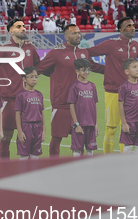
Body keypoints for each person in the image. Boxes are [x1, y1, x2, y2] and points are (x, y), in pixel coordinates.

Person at [37, 24, 104, 156]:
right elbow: (40, 69)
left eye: (79, 32)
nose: (78, 35)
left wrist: (114, 70)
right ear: (66, 36)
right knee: (57, 138)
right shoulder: (57, 52)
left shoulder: (84, 52)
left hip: (82, 106)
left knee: (82, 140)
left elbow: (94, 67)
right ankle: (54, 167)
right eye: (74, 33)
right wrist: (58, 79)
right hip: (62, 103)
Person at [88, 17, 138, 154]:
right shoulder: (111, 44)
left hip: (132, 93)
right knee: (111, 128)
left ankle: (126, 159)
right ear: (121, 30)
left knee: (127, 127)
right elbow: (87, 53)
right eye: (129, 25)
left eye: (133, 25)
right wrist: (103, 69)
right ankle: (108, 160)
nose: (133, 27)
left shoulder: (135, 45)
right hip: (113, 92)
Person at [0, 19, 41, 159]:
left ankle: (27, 170)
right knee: (6, 137)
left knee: (29, 136)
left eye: (23, 26)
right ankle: (5, 170)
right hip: (10, 100)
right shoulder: (3, 49)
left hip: (29, 101)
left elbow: (39, 67)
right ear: (11, 31)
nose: (23, 28)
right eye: (18, 26)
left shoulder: (30, 48)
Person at [68, 58, 99, 157]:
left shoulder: (92, 86)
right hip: (80, 125)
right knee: (77, 150)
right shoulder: (74, 86)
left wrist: (96, 124)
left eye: (88, 69)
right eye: (83, 70)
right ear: (77, 71)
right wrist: (76, 124)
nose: (86, 72)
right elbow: (71, 105)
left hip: (91, 124)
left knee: (90, 149)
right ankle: (76, 171)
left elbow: (95, 105)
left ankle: (89, 171)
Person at [15, 66, 45, 159]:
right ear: (24, 79)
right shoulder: (21, 95)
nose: (34, 79)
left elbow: (42, 113)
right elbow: (17, 114)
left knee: (35, 156)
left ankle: (35, 174)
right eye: (31, 77)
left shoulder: (39, 94)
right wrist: (20, 131)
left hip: (37, 128)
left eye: (36, 77)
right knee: (24, 156)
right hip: (26, 127)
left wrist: (43, 131)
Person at [118, 58, 138, 154]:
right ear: (127, 71)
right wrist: (124, 123)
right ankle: (125, 167)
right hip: (130, 122)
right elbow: (121, 105)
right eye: (134, 67)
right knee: (128, 146)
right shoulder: (124, 86)